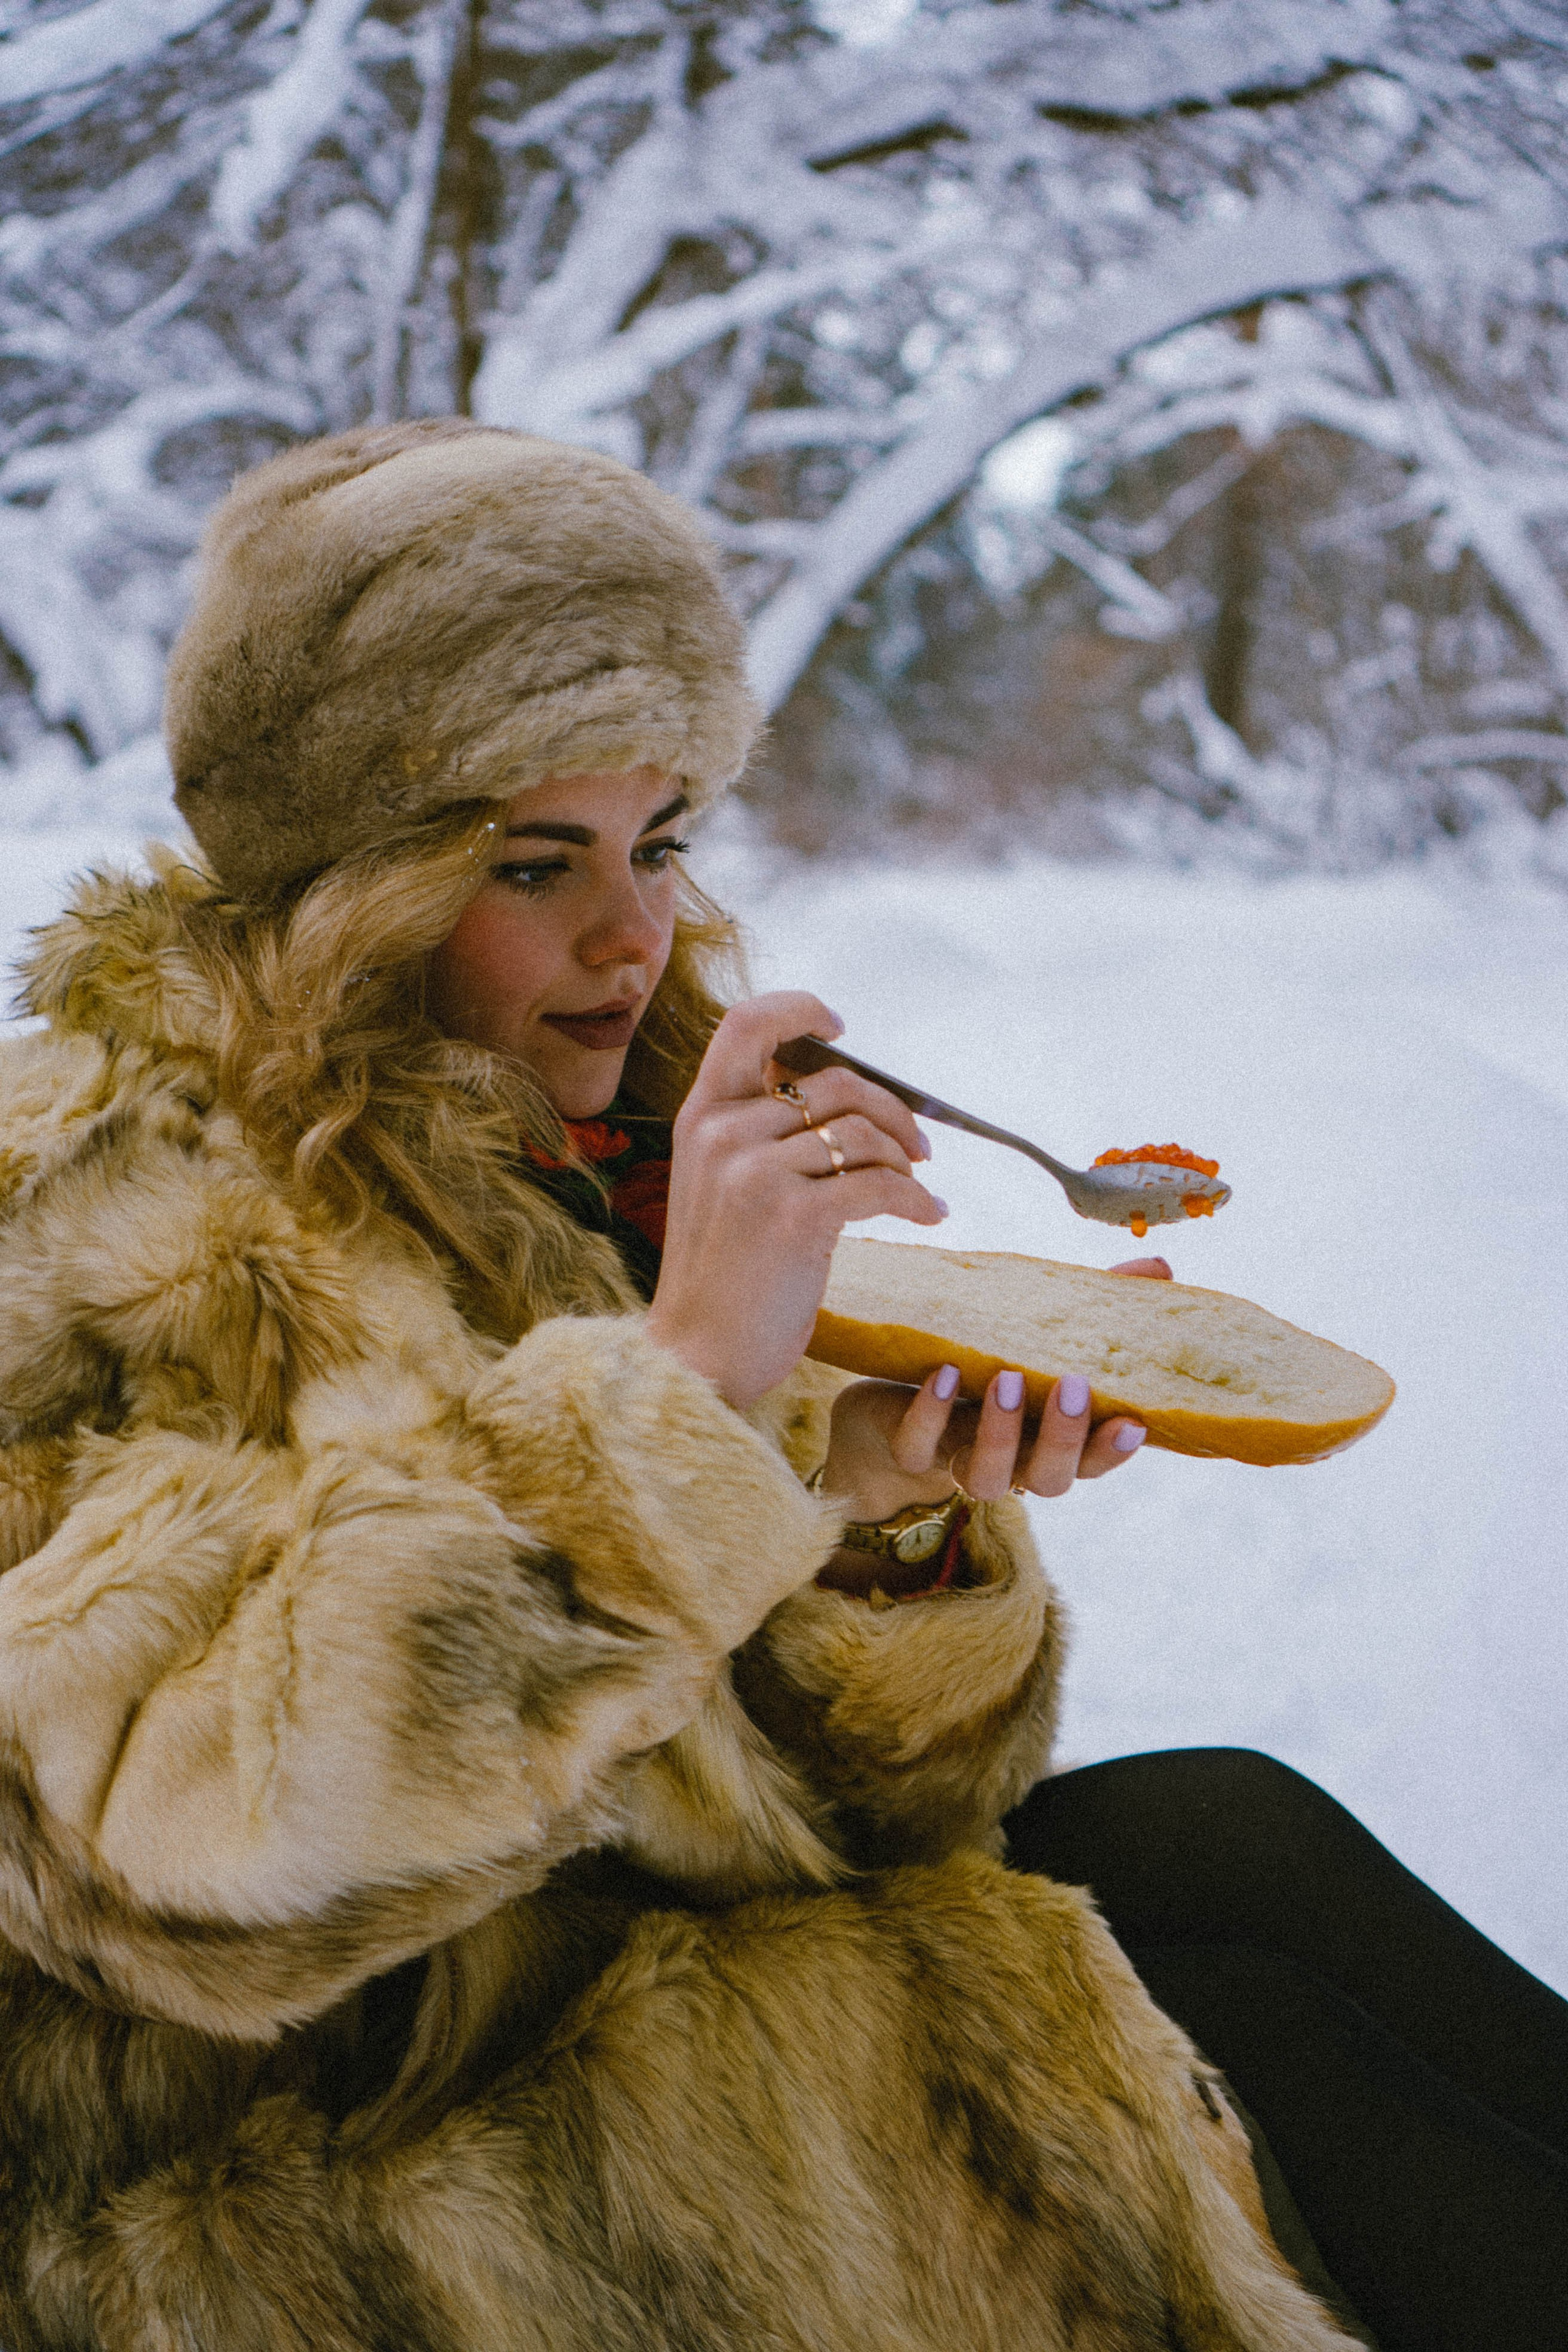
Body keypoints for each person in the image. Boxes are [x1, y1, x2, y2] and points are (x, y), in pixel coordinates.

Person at [0, 417, 1539, 2352]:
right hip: (288, 2154)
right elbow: (154, 1861)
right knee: (1085, 2062)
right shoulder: (112, 1197)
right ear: (349, 880)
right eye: (535, 862)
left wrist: (859, 1508)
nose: (633, 937)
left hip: (590, 1988)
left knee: (1225, 1841)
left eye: (657, 842)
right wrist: (684, 1390)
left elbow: (820, 1808)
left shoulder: (600, 1155)